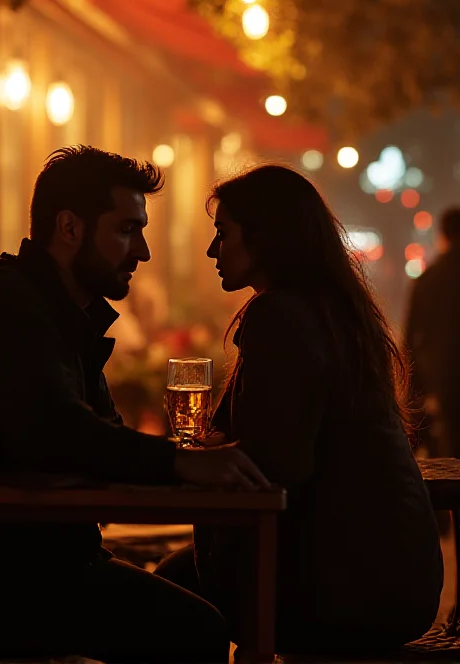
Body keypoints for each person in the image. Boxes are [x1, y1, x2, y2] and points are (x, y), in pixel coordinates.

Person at [0, 146, 268, 663]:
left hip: (19, 564)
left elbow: (91, 439)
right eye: (127, 230)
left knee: (194, 596)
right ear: (69, 228)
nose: (142, 252)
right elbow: (58, 434)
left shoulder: (57, 312)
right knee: (198, 631)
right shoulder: (7, 305)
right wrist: (183, 461)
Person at [155, 164, 443, 657]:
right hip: (393, 573)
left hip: (342, 581)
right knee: (173, 582)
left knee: (162, 603)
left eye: (222, 233)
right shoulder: (332, 311)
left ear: (264, 237)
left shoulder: (283, 315)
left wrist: (206, 453)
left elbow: (279, 462)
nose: (211, 249)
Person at [405, 206, 460, 457]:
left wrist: (413, 388)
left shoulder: (429, 280)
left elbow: (411, 336)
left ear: (443, 236)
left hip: (444, 376)